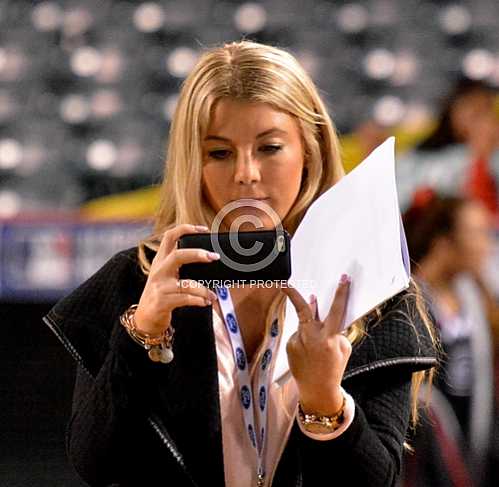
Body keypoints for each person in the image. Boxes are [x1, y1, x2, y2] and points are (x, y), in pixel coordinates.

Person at [43, 41, 438, 487]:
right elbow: (98, 465)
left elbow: (377, 481)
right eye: (219, 152)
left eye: (269, 148)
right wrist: (141, 336)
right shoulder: (139, 279)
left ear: (309, 150)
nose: (246, 173)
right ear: (193, 160)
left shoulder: (369, 284)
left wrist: (325, 400)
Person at [402, 191, 499, 487]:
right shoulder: (409, 303)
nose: (487, 246)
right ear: (444, 243)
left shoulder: (472, 297)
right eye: (477, 234)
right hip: (425, 457)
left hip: (474, 440)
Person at [396, 78, 499, 216]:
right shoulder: (414, 158)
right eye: (475, 111)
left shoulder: (494, 155)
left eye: (487, 110)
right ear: (451, 110)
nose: (481, 121)